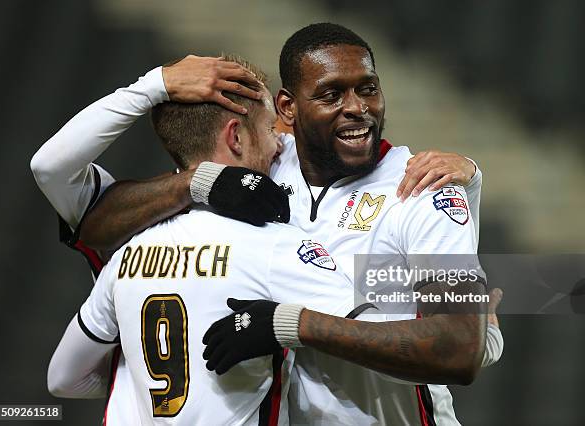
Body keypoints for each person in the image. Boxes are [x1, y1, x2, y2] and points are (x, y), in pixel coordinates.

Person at [32, 27, 503, 426]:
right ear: (286, 110)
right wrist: (159, 96)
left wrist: (292, 324)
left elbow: (459, 347)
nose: (358, 107)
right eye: (331, 94)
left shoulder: (425, 188)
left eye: (369, 88)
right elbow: (86, 208)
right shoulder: (261, 170)